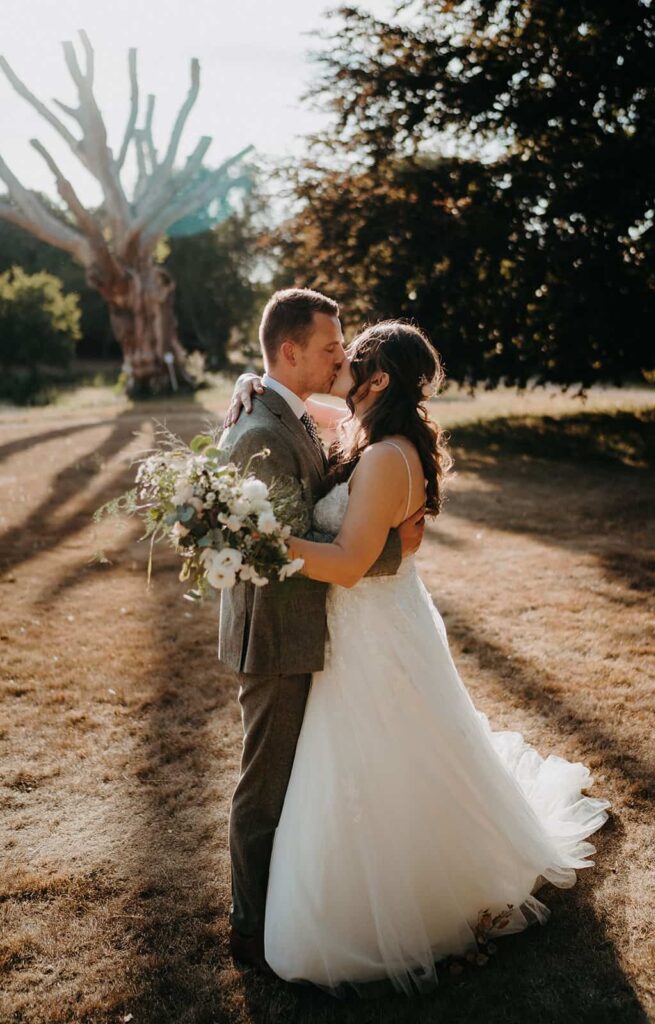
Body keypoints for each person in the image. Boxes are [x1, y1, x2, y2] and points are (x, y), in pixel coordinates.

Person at [226, 316, 611, 995]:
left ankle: (411, 897)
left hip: (367, 629)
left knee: (379, 762)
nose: (336, 363)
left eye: (348, 359)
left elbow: (346, 564)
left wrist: (252, 536)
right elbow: (301, 404)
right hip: (375, 626)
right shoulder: (374, 435)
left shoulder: (380, 457)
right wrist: (250, 380)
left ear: (374, 382)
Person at [217, 289, 425, 969]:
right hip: (278, 633)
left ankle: (289, 906)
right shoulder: (262, 431)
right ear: (289, 352)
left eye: (347, 350)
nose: (342, 357)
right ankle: (250, 926)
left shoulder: (291, 410)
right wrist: (389, 551)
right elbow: (281, 542)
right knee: (266, 785)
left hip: (318, 626)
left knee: (302, 779)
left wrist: (251, 378)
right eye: (332, 347)